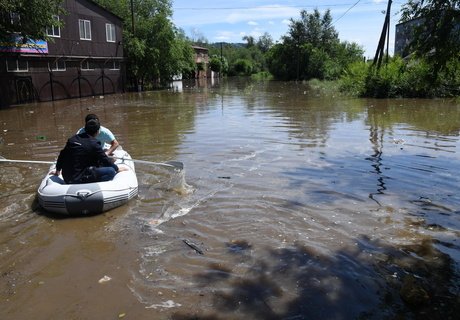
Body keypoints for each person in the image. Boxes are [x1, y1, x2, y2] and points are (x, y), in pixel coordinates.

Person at [54, 119, 126, 184]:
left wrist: (57, 170)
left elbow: (62, 155)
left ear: (85, 129)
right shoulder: (94, 143)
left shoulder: (72, 139)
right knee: (111, 171)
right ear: (97, 131)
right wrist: (117, 168)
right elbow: (104, 159)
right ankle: (92, 184)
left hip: (66, 177)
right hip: (79, 178)